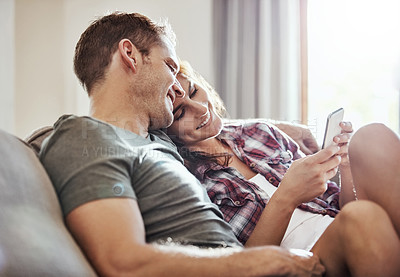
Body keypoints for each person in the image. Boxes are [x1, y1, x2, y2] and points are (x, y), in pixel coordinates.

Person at [38, 12, 326, 277]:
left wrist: (287, 128)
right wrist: (259, 261)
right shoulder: (87, 138)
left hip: (246, 263)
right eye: (169, 66)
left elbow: (209, 126)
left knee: (363, 215)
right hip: (245, 268)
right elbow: (122, 262)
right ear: (130, 55)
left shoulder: (158, 140)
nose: (176, 86)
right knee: (359, 222)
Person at [166, 60, 400, 276]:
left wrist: (345, 166)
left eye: (194, 91)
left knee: (371, 137)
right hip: (301, 256)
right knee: (362, 217)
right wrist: (286, 197)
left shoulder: (259, 131)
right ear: (165, 128)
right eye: (181, 113)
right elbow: (240, 265)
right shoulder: (191, 182)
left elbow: (342, 206)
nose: (200, 109)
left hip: (341, 222)